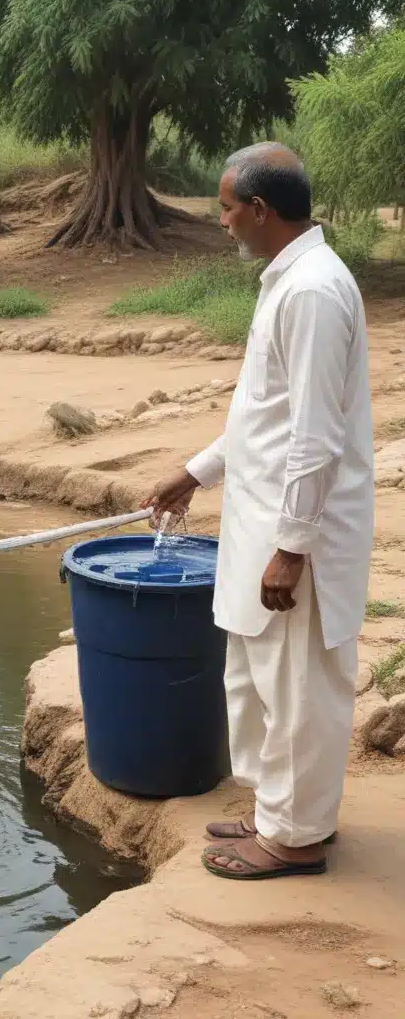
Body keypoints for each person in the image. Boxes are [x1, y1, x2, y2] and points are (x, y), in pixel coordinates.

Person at [143, 143, 374, 880]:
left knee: (297, 683)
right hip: (262, 517)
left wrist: (294, 546)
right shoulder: (291, 280)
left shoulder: (311, 291)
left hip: (293, 529)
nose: (222, 222)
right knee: (261, 675)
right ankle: (280, 810)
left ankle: (296, 838)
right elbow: (264, 418)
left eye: (226, 208)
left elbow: (315, 434)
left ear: (261, 210)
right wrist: (195, 472)